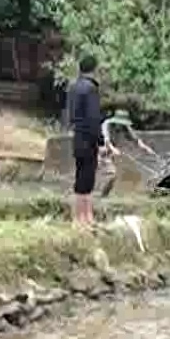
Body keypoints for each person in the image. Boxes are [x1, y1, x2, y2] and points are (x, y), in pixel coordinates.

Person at [64, 55, 106, 229]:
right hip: (88, 138)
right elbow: (93, 117)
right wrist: (101, 141)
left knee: (81, 176)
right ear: (94, 69)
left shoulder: (73, 87)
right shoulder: (90, 88)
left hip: (77, 135)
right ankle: (83, 217)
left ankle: (83, 216)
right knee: (87, 178)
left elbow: (69, 113)